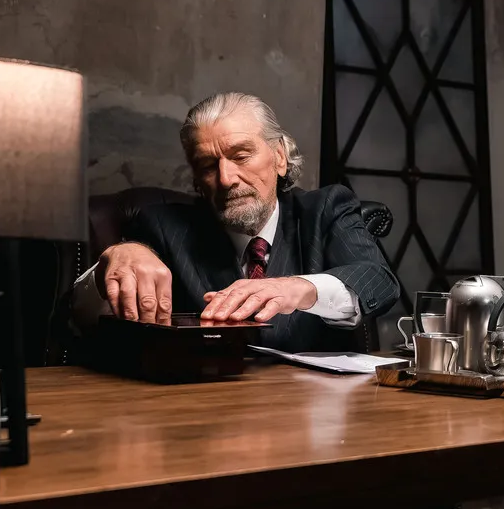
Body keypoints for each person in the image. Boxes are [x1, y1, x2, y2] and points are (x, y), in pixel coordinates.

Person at [73, 92, 400, 352]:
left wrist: (298, 288)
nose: (226, 178)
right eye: (207, 165)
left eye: (241, 156)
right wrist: (109, 265)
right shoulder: (161, 225)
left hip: (311, 405)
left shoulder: (326, 209)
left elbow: (378, 281)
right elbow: (79, 319)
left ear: (279, 157)